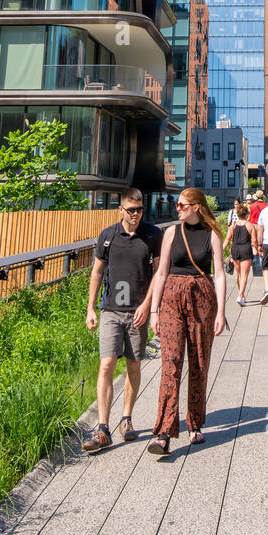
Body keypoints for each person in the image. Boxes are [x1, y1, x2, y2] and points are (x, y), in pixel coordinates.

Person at [146, 188, 227, 458]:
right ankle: (164, 431)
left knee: (199, 362)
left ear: (196, 207)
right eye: (177, 204)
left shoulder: (212, 235)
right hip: (171, 300)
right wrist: (154, 311)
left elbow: (219, 275)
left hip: (202, 300)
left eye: (182, 204)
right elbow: (161, 273)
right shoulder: (171, 233)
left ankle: (195, 423)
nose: (177, 208)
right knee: (170, 363)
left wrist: (221, 312)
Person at [83, 187, 162, 452]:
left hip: (137, 311)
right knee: (106, 365)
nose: (136, 214)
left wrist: (148, 306)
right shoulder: (107, 237)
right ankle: (103, 428)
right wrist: (90, 308)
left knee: (134, 365)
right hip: (111, 310)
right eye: (131, 210)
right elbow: (96, 273)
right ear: (120, 210)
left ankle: (126, 418)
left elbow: (158, 273)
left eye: (139, 209)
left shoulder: (152, 235)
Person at [224, 200, 254, 305]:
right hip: (246, 249)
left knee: (239, 275)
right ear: (246, 215)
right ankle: (240, 296)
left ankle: (242, 295)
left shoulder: (232, 225)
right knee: (245, 275)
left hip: (235, 250)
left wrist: (221, 251)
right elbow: (254, 241)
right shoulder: (250, 225)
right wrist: (258, 249)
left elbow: (227, 240)